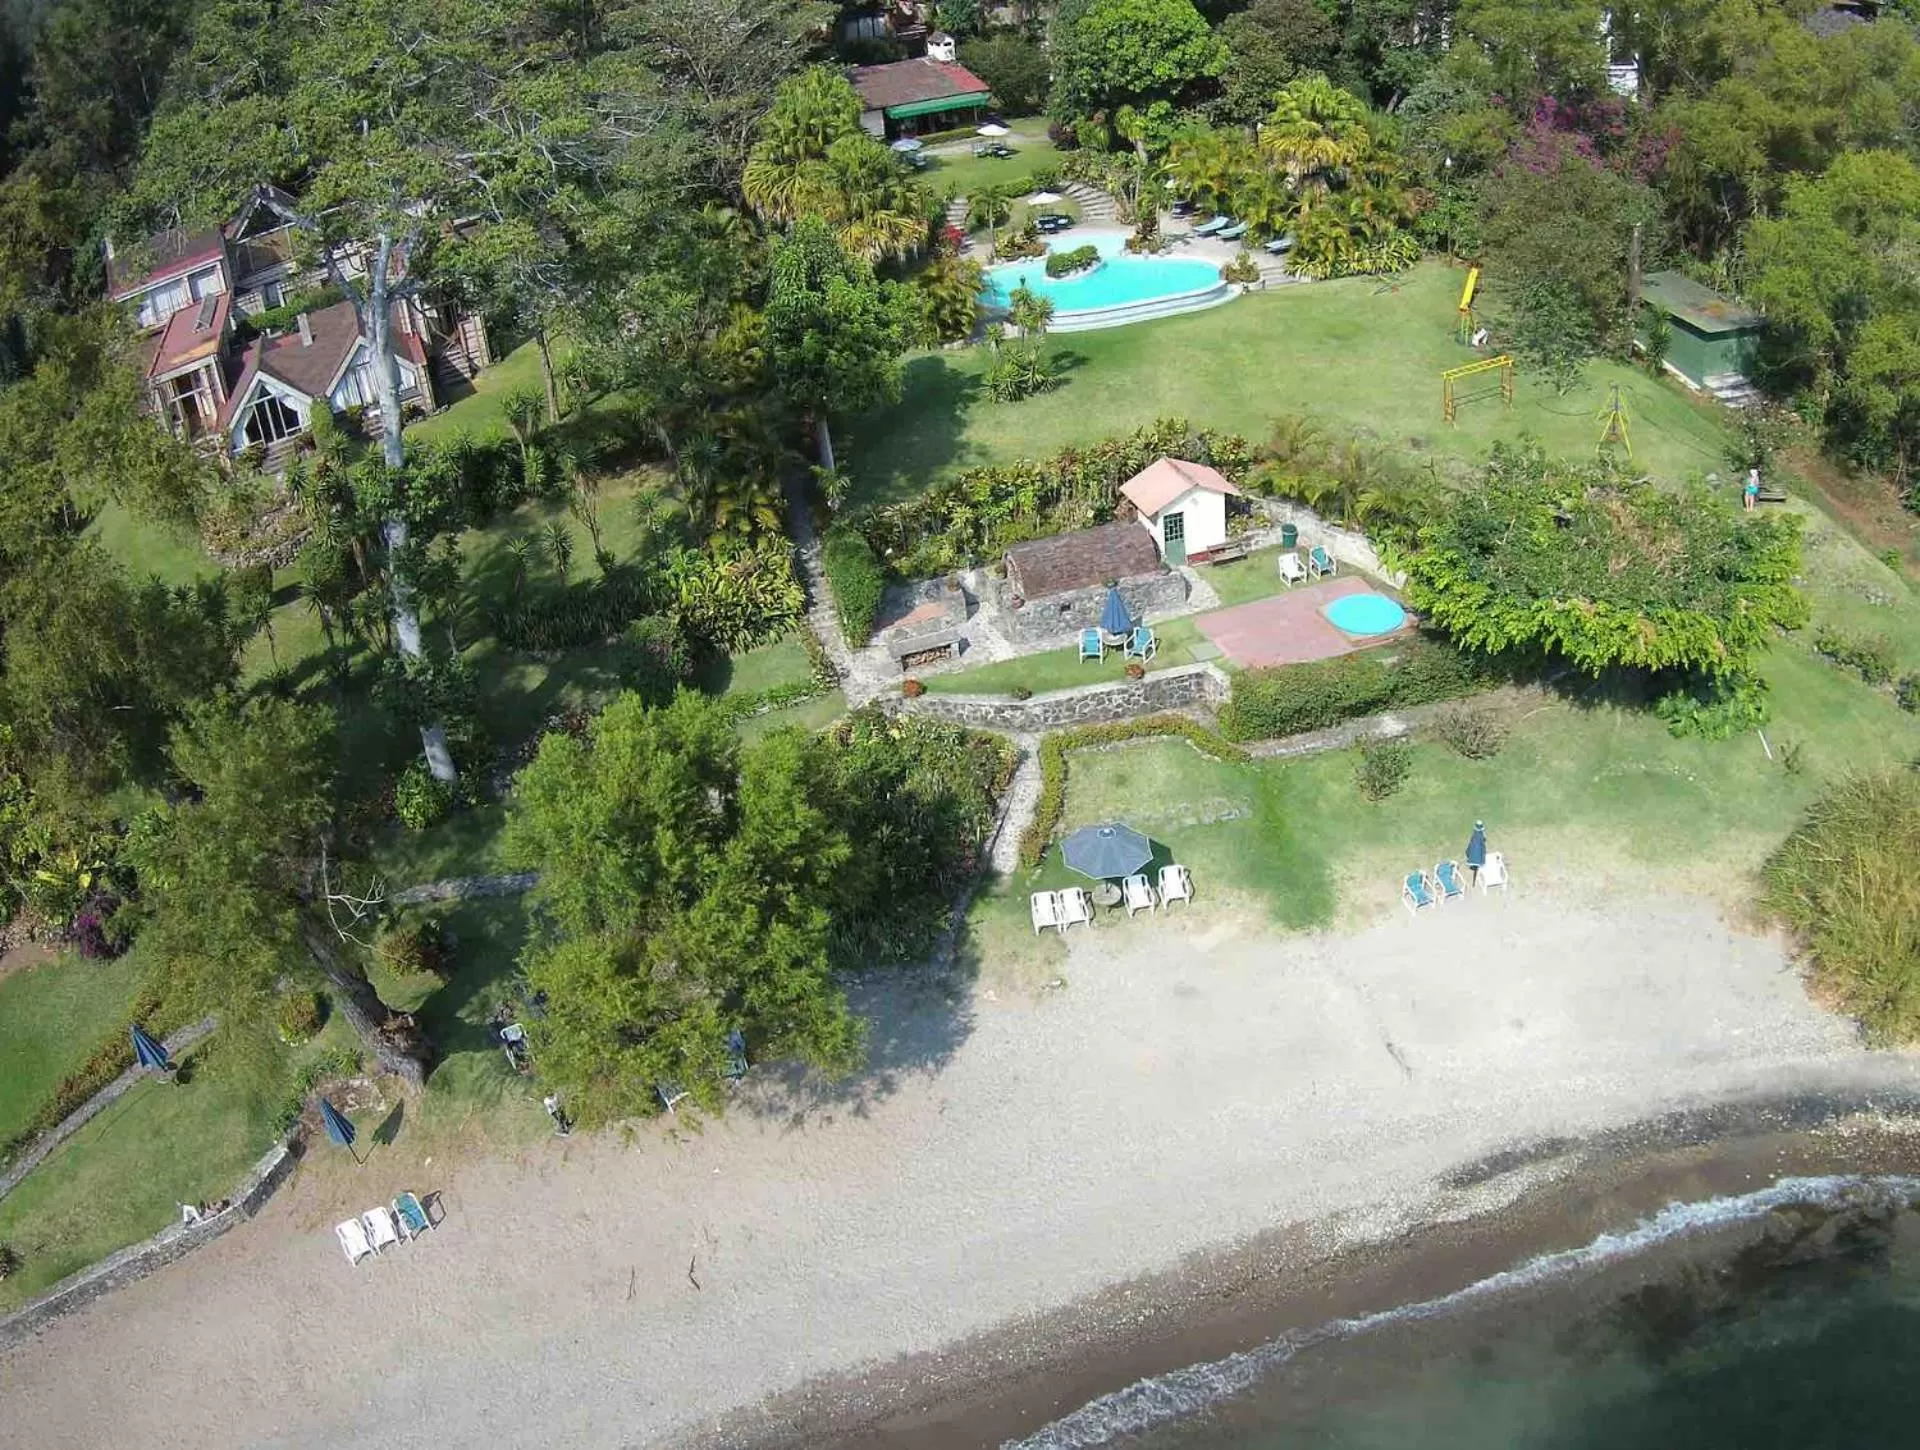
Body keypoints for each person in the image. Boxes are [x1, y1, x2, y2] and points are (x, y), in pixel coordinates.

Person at [1465, 820, 1488, 885]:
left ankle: (1474, 881)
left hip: (1472, 857)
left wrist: (1467, 853)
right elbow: (1483, 849)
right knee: (1477, 866)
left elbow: (1470, 845)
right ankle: (1474, 881)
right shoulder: (1481, 837)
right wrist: (1483, 860)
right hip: (1478, 859)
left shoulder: (1474, 836)